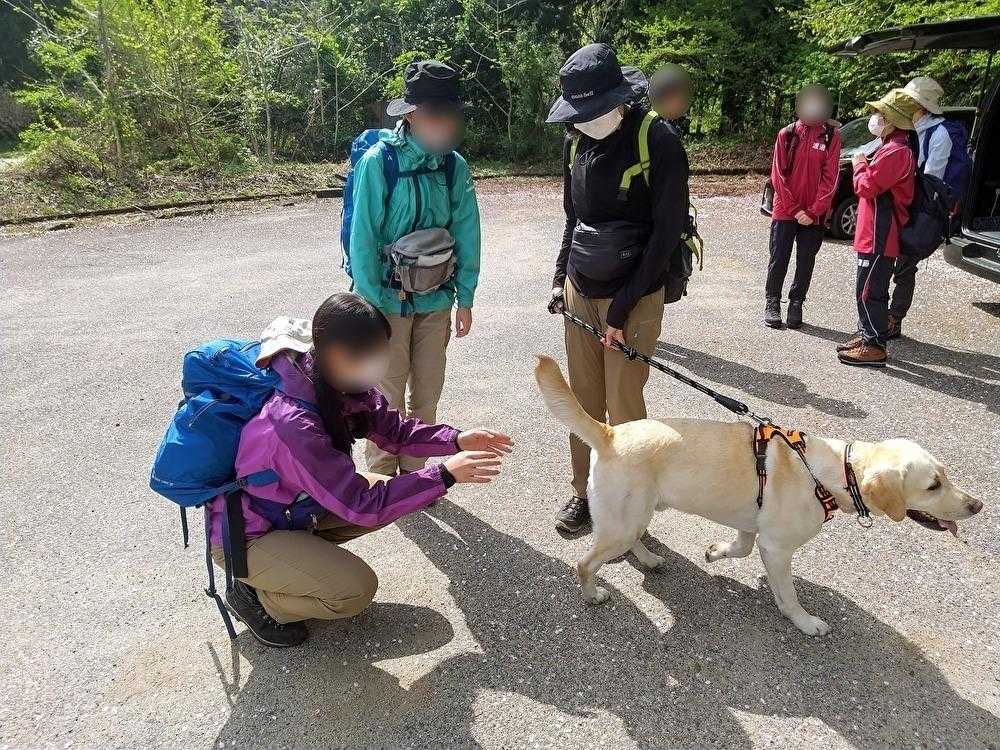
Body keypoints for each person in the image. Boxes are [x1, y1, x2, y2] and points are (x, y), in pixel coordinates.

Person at [211, 293, 511, 647]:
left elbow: (396, 431)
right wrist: (444, 475)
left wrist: (457, 439)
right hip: (249, 535)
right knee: (355, 591)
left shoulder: (337, 381)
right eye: (371, 355)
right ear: (336, 354)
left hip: (294, 508)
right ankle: (255, 598)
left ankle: (300, 560)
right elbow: (361, 505)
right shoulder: (293, 424)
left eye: (382, 352)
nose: (379, 364)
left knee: (392, 492)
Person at [545, 43, 689, 533]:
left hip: (636, 293)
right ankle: (585, 491)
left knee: (624, 403)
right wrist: (560, 278)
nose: (582, 122)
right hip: (580, 288)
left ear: (619, 100)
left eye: (591, 112)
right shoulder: (575, 143)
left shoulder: (658, 141)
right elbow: (574, 218)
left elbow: (666, 234)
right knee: (583, 403)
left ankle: (629, 500)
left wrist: (623, 309)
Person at [349, 60, 481, 477]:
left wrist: (466, 297)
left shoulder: (453, 166)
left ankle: (415, 474)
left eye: (448, 116)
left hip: (436, 299)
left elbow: (467, 231)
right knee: (385, 395)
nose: (443, 124)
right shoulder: (378, 162)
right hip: (385, 301)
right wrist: (370, 304)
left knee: (427, 393)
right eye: (433, 115)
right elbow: (363, 237)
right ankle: (381, 478)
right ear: (410, 115)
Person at [837, 90, 916, 367]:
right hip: (874, 230)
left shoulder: (896, 151)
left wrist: (859, 164)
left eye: (881, 114)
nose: (875, 118)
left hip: (881, 233)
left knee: (870, 290)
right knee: (869, 287)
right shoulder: (890, 146)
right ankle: (867, 334)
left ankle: (874, 345)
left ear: (893, 120)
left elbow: (866, 187)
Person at [763, 85, 841, 330]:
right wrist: (796, 210)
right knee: (779, 257)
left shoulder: (831, 136)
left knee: (806, 260)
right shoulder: (786, 134)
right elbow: (778, 176)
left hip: (814, 213)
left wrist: (815, 210)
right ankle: (772, 301)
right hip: (785, 209)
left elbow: (831, 177)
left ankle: (796, 302)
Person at [888, 76, 952, 340]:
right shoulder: (910, 128)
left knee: (905, 264)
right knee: (887, 260)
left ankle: (895, 317)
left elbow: (932, 179)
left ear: (921, 106)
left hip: (920, 207)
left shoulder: (940, 134)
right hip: (900, 203)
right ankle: (880, 313)